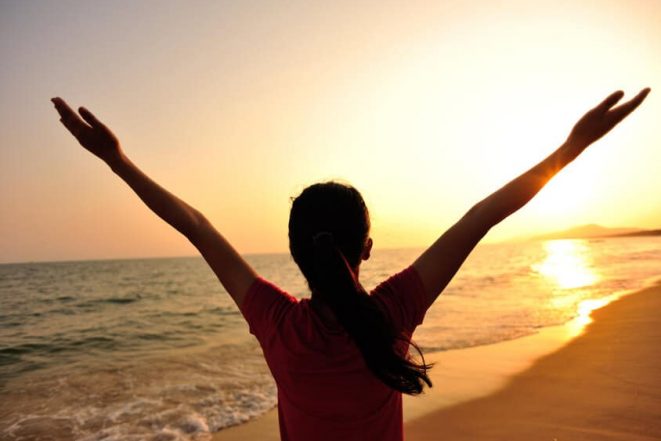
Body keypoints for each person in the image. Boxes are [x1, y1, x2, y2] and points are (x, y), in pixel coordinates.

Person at [51, 88, 650, 440]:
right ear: (366, 247)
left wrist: (118, 161)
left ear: (294, 250)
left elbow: (197, 227)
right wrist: (571, 150)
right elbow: (480, 216)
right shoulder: (394, 311)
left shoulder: (277, 322)